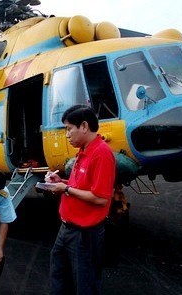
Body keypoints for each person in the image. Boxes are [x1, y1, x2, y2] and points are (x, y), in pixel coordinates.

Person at [44, 105, 116, 295]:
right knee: (59, 280)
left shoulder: (101, 154)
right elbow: (82, 187)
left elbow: (100, 199)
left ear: (84, 126)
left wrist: (65, 189)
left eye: (69, 129)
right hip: (66, 229)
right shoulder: (83, 150)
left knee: (85, 285)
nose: (67, 135)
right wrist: (61, 182)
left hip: (84, 235)